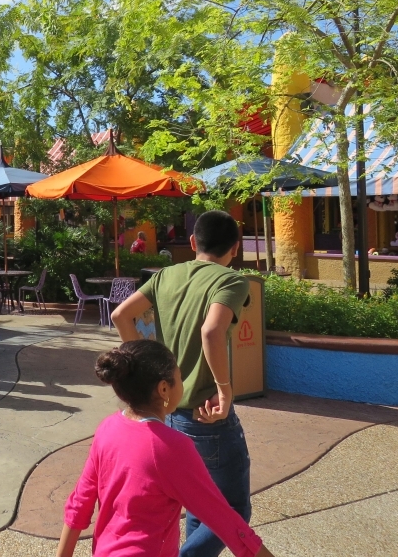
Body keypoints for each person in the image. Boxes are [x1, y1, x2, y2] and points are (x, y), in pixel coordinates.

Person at [111, 210, 253, 557]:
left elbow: (121, 315)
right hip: (207, 415)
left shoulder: (166, 276)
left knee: (199, 506)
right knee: (232, 509)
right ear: (235, 248)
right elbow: (211, 331)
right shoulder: (231, 281)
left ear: (192, 243)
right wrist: (225, 388)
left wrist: (143, 367)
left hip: (169, 409)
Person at [58, 340, 272, 557]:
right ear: (163, 388)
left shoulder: (107, 429)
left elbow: (79, 503)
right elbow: (222, 518)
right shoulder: (171, 447)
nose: (182, 383)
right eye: (179, 377)